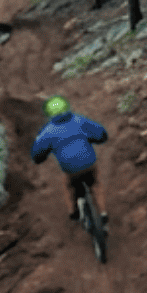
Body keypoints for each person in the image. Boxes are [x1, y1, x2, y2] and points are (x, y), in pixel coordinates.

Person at [30, 95, 109, 223]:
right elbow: (100, 133)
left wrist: (39, 158)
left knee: (69, 185)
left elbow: (37, 153)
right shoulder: (79, 120)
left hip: (71, 169)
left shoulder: (47, 132)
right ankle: (103, 212)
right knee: (95, 183)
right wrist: (97, 139)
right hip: (89, 163)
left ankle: (73, 212)